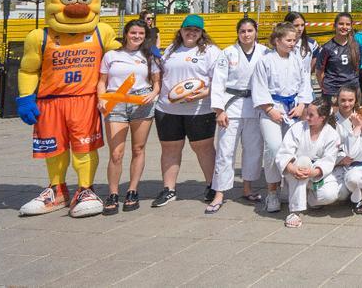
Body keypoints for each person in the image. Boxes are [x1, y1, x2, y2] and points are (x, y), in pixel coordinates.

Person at [153, 15, 225, 208]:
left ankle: (212, 185)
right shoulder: (171, 50)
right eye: (188, 29)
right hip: (168, 109)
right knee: (170, 148)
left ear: (202, 33)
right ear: (181, 30)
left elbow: (220, 81)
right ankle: (169, 189)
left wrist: (204, 94)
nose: (191, 32)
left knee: (204, 148)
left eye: (196, 30)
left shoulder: (211, 52)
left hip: (199, 110)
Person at [98, 19, 161, 215]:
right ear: (126, 34)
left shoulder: (149, 56)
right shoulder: (111, 55)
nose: (137, 37)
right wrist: (101, 99)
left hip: (141, 103)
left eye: (141, 34)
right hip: (115, 103)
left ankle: (132, 191)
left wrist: (153, 93)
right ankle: (113, 194)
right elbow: (102, 81)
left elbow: (157, 82)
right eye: (133, 33)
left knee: (138, 148)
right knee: (116, 153)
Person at [251, 22, 314, 213]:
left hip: (293, 109)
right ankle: (272, 191)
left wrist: (302, 104)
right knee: (273, 148)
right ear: (277, 41)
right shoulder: (265, 60)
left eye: (294, 40)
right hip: (271, 108)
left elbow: (305, 84)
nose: (293, 43)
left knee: (294, 149)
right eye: (288, 40)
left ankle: (290, 186)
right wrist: (270, 110)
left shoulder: (296, 59)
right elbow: (259, 87)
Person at [208, 18, 266, 213]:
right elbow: (218, 82)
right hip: (230, 106)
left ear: (256, 31)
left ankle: (247, 187)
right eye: (243, 31)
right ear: (238, 32)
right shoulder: (227, 53)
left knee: (254, 150)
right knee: (225, 151)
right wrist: (219, 110)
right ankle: (219, 192)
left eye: (250, 30)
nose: (247, 34)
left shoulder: (265, 52)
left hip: (256, 105)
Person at [275, 99, 343, 227]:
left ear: (322, 117)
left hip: (315, 175)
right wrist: (291, 168)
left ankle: (308, 199)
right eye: (307, 113)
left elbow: (329, 160)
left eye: (311, 115)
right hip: (295, 173)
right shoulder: (297, 128)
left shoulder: (332, 135)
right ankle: (295, 210)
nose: (307, 117)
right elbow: (284, 152)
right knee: (303, 160)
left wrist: (314, 172)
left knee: (330, 194)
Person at [315, 12, 362, 103]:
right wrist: (326, 88)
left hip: (352, 90)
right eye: (341, 24)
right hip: (332, 91)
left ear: (351, 26)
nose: (344, 27)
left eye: (347, 24)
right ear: (334, 26)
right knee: (333, 117)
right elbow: (319, 72)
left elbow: (357, 68)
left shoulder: (356, 46)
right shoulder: (327, 48)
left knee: (352, 116)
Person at [283, 11, 318, 78]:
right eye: (296, 25)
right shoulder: (280, 44)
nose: (300, 29)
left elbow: (312, 68)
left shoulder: (312, 44)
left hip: (305, 87)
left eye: (302, 25)